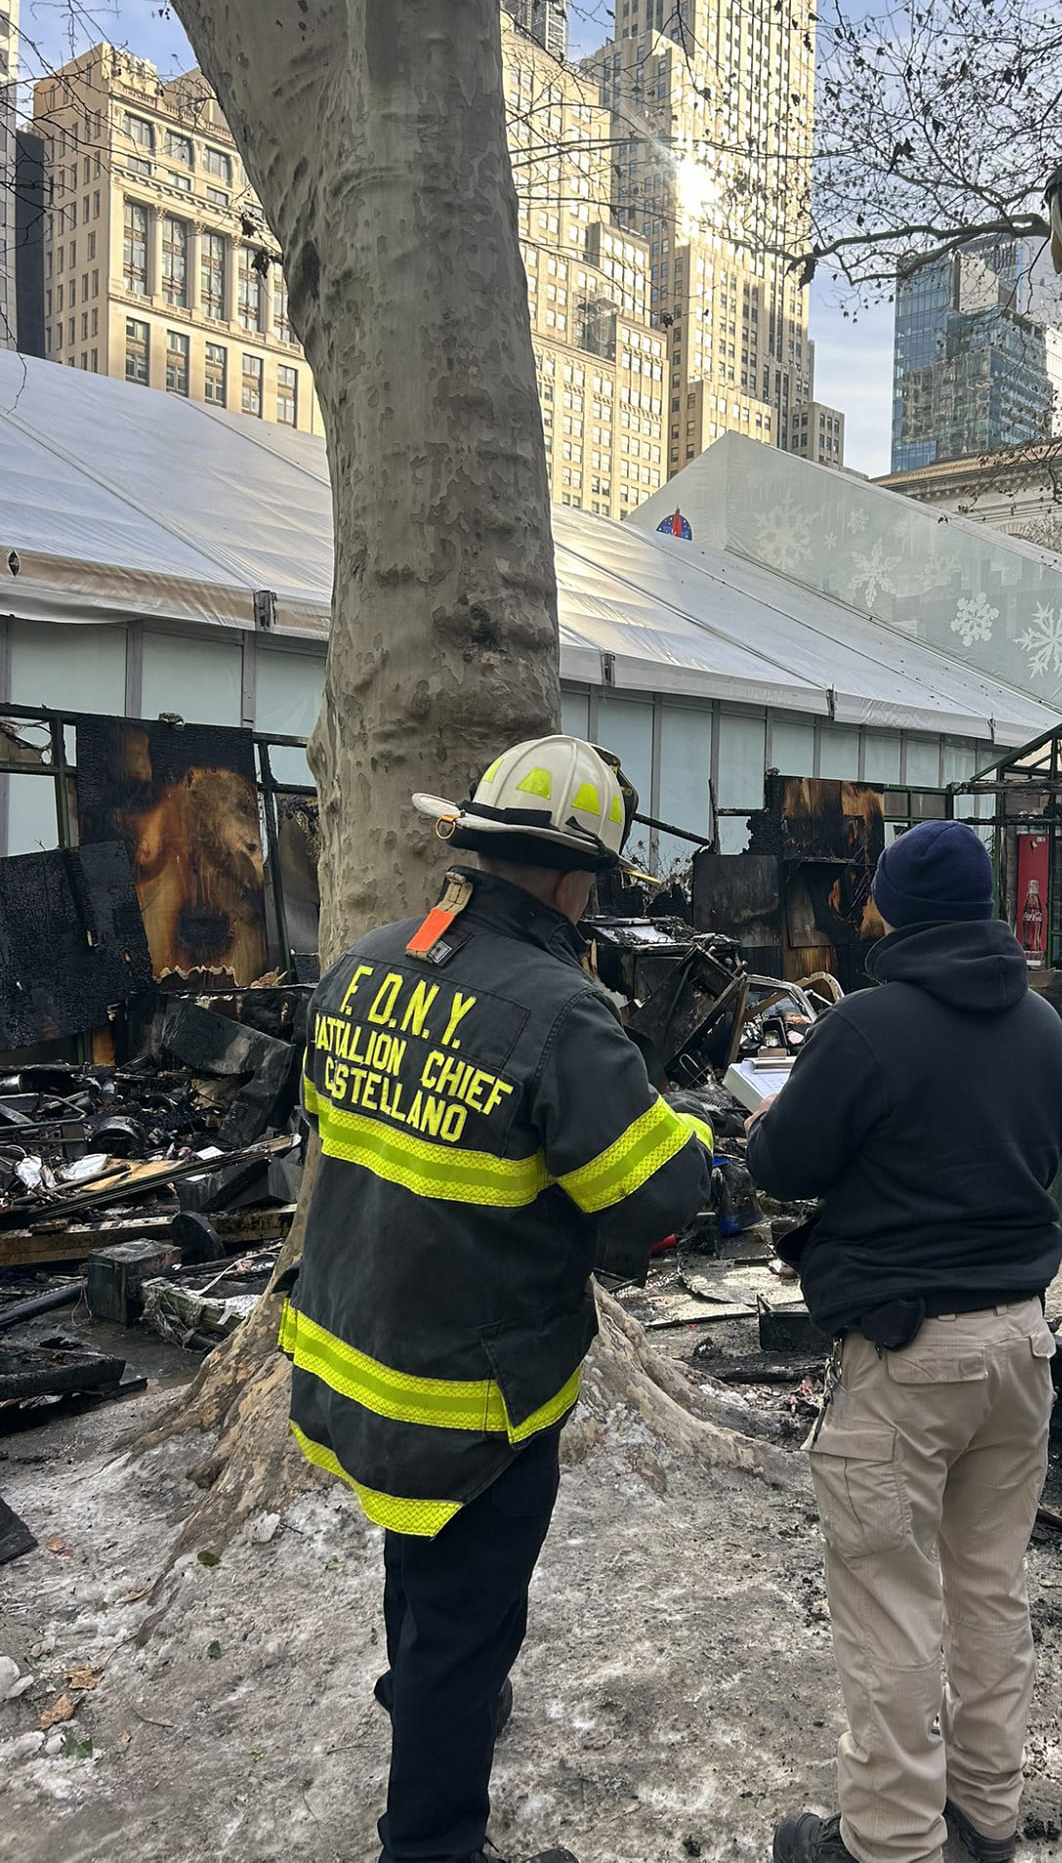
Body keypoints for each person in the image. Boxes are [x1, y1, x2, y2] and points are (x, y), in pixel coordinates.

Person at [280, 735, 713, 1863]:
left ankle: (431, 1702)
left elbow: (336, 1128)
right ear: (575, 881)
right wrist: (707, 1144)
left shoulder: (364, 962)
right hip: (474, 1389)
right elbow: (646, 1199)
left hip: (354, 1349)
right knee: (467, 1621)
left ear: (469, 845)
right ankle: (430, 1837)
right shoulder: (563, 1013)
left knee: (416, 1562)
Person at [748, 820, 1062, 1863]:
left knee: (892, 1604)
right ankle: (987, 1814)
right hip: (1020, 1346)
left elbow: (780, 1159)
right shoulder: (1043, 1024)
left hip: (905, 1351)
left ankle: (889, 1840)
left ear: (892, 905)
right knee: (989, 1586)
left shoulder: (867, 1026)